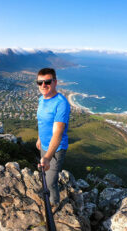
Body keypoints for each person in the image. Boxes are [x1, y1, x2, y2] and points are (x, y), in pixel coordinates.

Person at [36, 68, 70, 206]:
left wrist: (48, 157)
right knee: (45, 175)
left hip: (56, 150)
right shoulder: (41, 99)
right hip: (44, 146)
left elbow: (58, 133)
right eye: (40, 82)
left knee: (50, 182)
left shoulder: (61, 103)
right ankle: (49, 194)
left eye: (47, 81)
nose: (43, 85)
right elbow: (41, 122)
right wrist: (39, 138)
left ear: (55, 82)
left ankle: (54, 203)